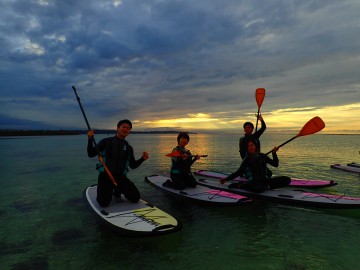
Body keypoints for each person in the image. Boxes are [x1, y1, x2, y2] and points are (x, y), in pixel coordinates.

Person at [87, 119, 149, 207]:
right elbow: (91, 154)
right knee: (103, 203)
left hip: (120, 178)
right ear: (118, 128)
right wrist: (90, 140)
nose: (125, 129)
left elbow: (133, 165)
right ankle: (108, 189)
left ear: (129, 131)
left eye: (128, 128)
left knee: (136, 198)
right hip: (105, 176)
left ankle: (117, 190)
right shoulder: (106, 142)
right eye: (123, 127)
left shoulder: (128, 148)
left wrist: (142, 159)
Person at [221, 139, 290, 192]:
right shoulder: (247, 159)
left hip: (265, 181)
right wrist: (226, 179)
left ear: (255, 146)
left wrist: (274, 153)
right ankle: (241, 186)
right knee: (257, 188)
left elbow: (275, 164)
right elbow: (239, 172)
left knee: (287, 180)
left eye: (251, 145)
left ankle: (267, 187)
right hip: (254, 182)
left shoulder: (263, 156)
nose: (250, 147)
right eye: (248, 146)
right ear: (247, 148)